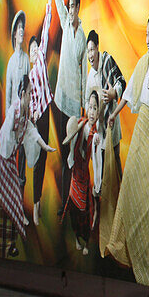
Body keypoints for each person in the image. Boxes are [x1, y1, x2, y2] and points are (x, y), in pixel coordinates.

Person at [104, 9, 149, 285]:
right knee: (128, 188)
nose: (146, 40)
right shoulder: (143, 64)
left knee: (147, 196)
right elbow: (130, 92)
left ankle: (147, 258)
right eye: (144, 34)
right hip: (138, 139)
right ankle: (121, 247)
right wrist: (114, 113)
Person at [0, 75, 55, 258]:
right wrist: (8, 161)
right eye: (30, 93)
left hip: (9, 160)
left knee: (13, 199)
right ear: (23, 94)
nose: (32, 96)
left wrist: (43, 145)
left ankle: (8, 244)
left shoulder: (24, 112)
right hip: (3, 160)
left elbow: (30, 129)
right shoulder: (14, 113)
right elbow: (7, 141)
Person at [43, 0, 87, 203]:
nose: (70, 10)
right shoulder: (65, 20)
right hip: (60, 96)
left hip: (74, 100)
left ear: (78, 7)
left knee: (73, 149)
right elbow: (57, 0)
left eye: (73, 6)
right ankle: (64, 197)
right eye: (69, 6)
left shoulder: (81, 34)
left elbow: (82, 71)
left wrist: (81, 103)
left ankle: (73, 196)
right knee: (62, 147)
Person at [85, 29, 126, 188]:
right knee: (100, 166)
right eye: (88, 51)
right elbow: (89, 107)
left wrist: (114, 92)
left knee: (115, 158)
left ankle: (121, 195)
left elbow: (122, 81)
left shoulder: (107, 60)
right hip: (99, 128)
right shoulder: (90, 77)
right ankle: (102, 203)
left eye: (92, 49)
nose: (90, 54)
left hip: (112, 121)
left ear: (97, 48)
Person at [26, 0, 54, 226]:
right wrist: (33, 114)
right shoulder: (29, 74)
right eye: (33, 50)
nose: (36, 50)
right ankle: (36, 204)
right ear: (30, 55)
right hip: (37, 117)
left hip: (47, 110)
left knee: (44, 156)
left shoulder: (43, 62)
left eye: (37, 48)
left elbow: (46, 26)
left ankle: (39, 201)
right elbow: (28, 100)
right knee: (38, 159)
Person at [61, 89, 100, 255]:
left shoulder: (96, 135)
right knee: (73, 210)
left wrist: (97, 185)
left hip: (85, 178)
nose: (91, 112)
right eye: (90, 107)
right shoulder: (81, 125)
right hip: (75, 177)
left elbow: (97, 163)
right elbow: (72, 150)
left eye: (95, 108)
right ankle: (77, 238)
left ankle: (86, 242)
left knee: (86, 212)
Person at [4, 10, 29, 191]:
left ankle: (21, 211)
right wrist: (8, 123)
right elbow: (7, 96)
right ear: (14, 33)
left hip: (25, 120)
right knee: (12, 162)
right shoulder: (11, 62)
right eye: (19, 28)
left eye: (23, 28)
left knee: (23, 167)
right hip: (13, 120)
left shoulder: (27, 59)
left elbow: (29, 88)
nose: (21, 31)